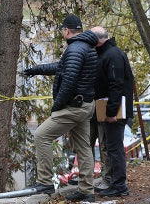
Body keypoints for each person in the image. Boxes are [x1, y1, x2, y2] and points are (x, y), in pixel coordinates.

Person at [23, 14, 98, 202]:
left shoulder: (74, 49)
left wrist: (56, 106)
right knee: (83, 147)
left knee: (42, 135)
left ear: (66, 30)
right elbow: (64, 68)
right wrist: (37, 69)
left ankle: (45, 182)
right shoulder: (86, 46)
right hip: (86, 104)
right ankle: (87, 191)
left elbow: (69, 80)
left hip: (74, 106)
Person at [90, 26, 135, 198]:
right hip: (111, 108)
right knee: (111, 147)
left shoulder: (113, 55)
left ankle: (119, 185)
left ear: (98, 40)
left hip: (114, 111)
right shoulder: (109, 54)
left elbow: (116, 85)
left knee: (115, 148)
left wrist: (110, 112)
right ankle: (116, 184)